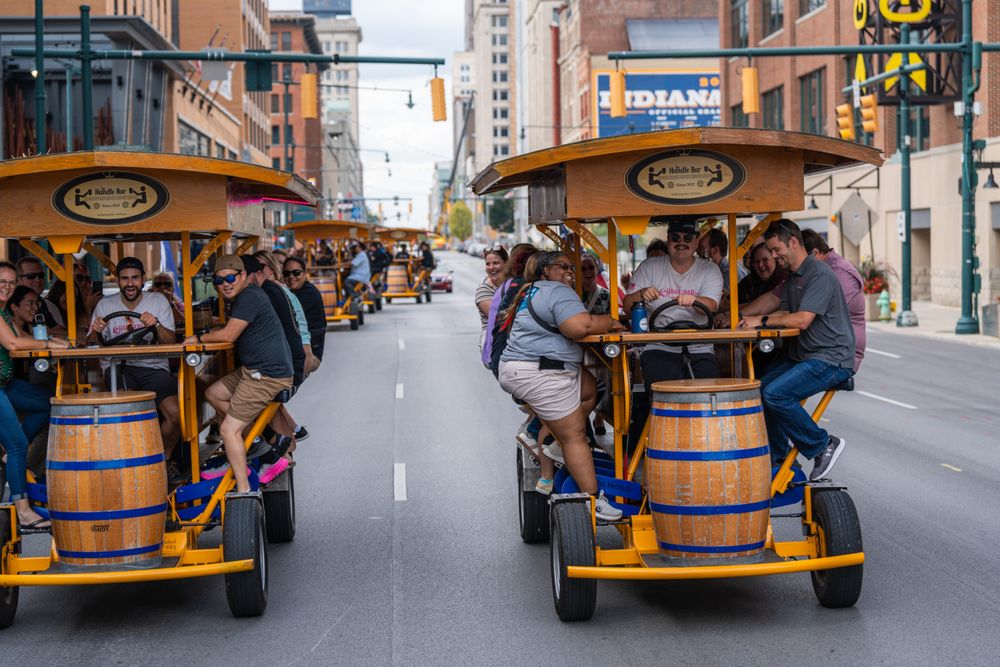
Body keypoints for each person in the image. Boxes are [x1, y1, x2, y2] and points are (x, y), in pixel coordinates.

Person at [497, 251, 625, 521]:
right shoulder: (558, 291)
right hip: (539, 371)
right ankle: (592, 499)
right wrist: (610, 321)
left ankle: (551, 441)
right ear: (545, 270)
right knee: (575, 435)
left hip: (527, 366)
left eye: (571, 267)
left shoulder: (533, 289)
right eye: (562, 267)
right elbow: (579, 326)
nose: (569, 272)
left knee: (589, 390)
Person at [738, 220, 855, 480]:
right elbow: (784, 314)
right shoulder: (794, 276)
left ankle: (822, 444)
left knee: (776, 394)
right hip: (805, 356)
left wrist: (762, 321)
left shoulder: (819, 274)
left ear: (793, 242)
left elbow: (801, 320)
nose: (773, 256)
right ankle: (779, 460)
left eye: (776, 250)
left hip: (831, 358)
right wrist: (750, 320)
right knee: (758, 390)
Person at [185, 255, 294, 493]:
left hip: (267, 374)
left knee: (227, 430)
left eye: (230, 278)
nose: (225, 284)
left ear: (243, 276)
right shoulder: (244, 297)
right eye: (219, 280)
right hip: (253, 370)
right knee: (213, 393)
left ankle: (245, 490)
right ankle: (259, 448)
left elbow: (228, 335)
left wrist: (197, 338)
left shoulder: (250, 296)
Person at [89, 257, 181, 461]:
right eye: (124, 278)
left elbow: (170, 341)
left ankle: (162, 458)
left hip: (154, 368)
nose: (130, 283)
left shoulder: (158, 301)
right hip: (118, 368)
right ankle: (139, 462)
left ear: (143, 279)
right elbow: (90, 343)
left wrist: (156, 325)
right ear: (118, 280)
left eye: (135, 278)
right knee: (130, 413)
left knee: (176, 415)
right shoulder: (105, 305)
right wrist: (96, 330)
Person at [0, 261, 69, 530]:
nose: (6, 287)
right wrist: (50, 343)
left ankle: (9, 455)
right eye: (1, 282)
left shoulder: (4, 312)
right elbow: (13, 343)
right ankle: (24, 511)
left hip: (6, 383)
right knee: (18, 445)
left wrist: (56, 342)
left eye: (10, 282)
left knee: (48, 402)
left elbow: (21, 335)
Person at [742, 229, 866, 372]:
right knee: (764, 376)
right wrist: (738, 315)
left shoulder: (835, 273)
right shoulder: (802, 273)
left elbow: (803, 316)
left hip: (835, 357)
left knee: (773, 384)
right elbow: (774, 297)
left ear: (814, 253)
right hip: (808, 351)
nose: (775, 257)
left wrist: (762, 320)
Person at [623, 218, 724, 383]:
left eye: (688, 238)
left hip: (699, 347)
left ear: (696, 241)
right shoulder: (649, 267)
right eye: (675, 238)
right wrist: (641, 294)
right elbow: (627, 307)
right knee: (660, 387)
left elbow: (711, 306)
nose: (681, 242)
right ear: (668, 240)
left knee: (708, 390)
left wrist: (694, 300)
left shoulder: (710, 270)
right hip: (658, 346)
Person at [801, 229, 866, 371]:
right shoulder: (817, 270)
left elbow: (809, 314)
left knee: (775, 386)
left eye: (801, 259)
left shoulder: (840, 272)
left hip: (840, 356)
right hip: (821, 350)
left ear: (815, 253)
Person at [283, 256, 327, 363]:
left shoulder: (309, 293)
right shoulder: (292, 292)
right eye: (286, 273)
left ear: (305, 274)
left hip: (310, 355)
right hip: (297, 350)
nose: (291, 276)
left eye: (296, 273)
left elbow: (285, 316)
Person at [17, 257, 63, 335]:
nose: (38, 280)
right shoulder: (12, 302)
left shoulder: (41, 302)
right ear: (18, 280)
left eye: (41, 275)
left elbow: (55, 328)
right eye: (31, 276)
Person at [476, 244, 508, 351]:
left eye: (496, 263)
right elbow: (499, 317)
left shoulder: (514, 283)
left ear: (506, 263)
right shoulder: (484, 289)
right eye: (488, 264)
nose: (491, 267)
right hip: (494, 341)